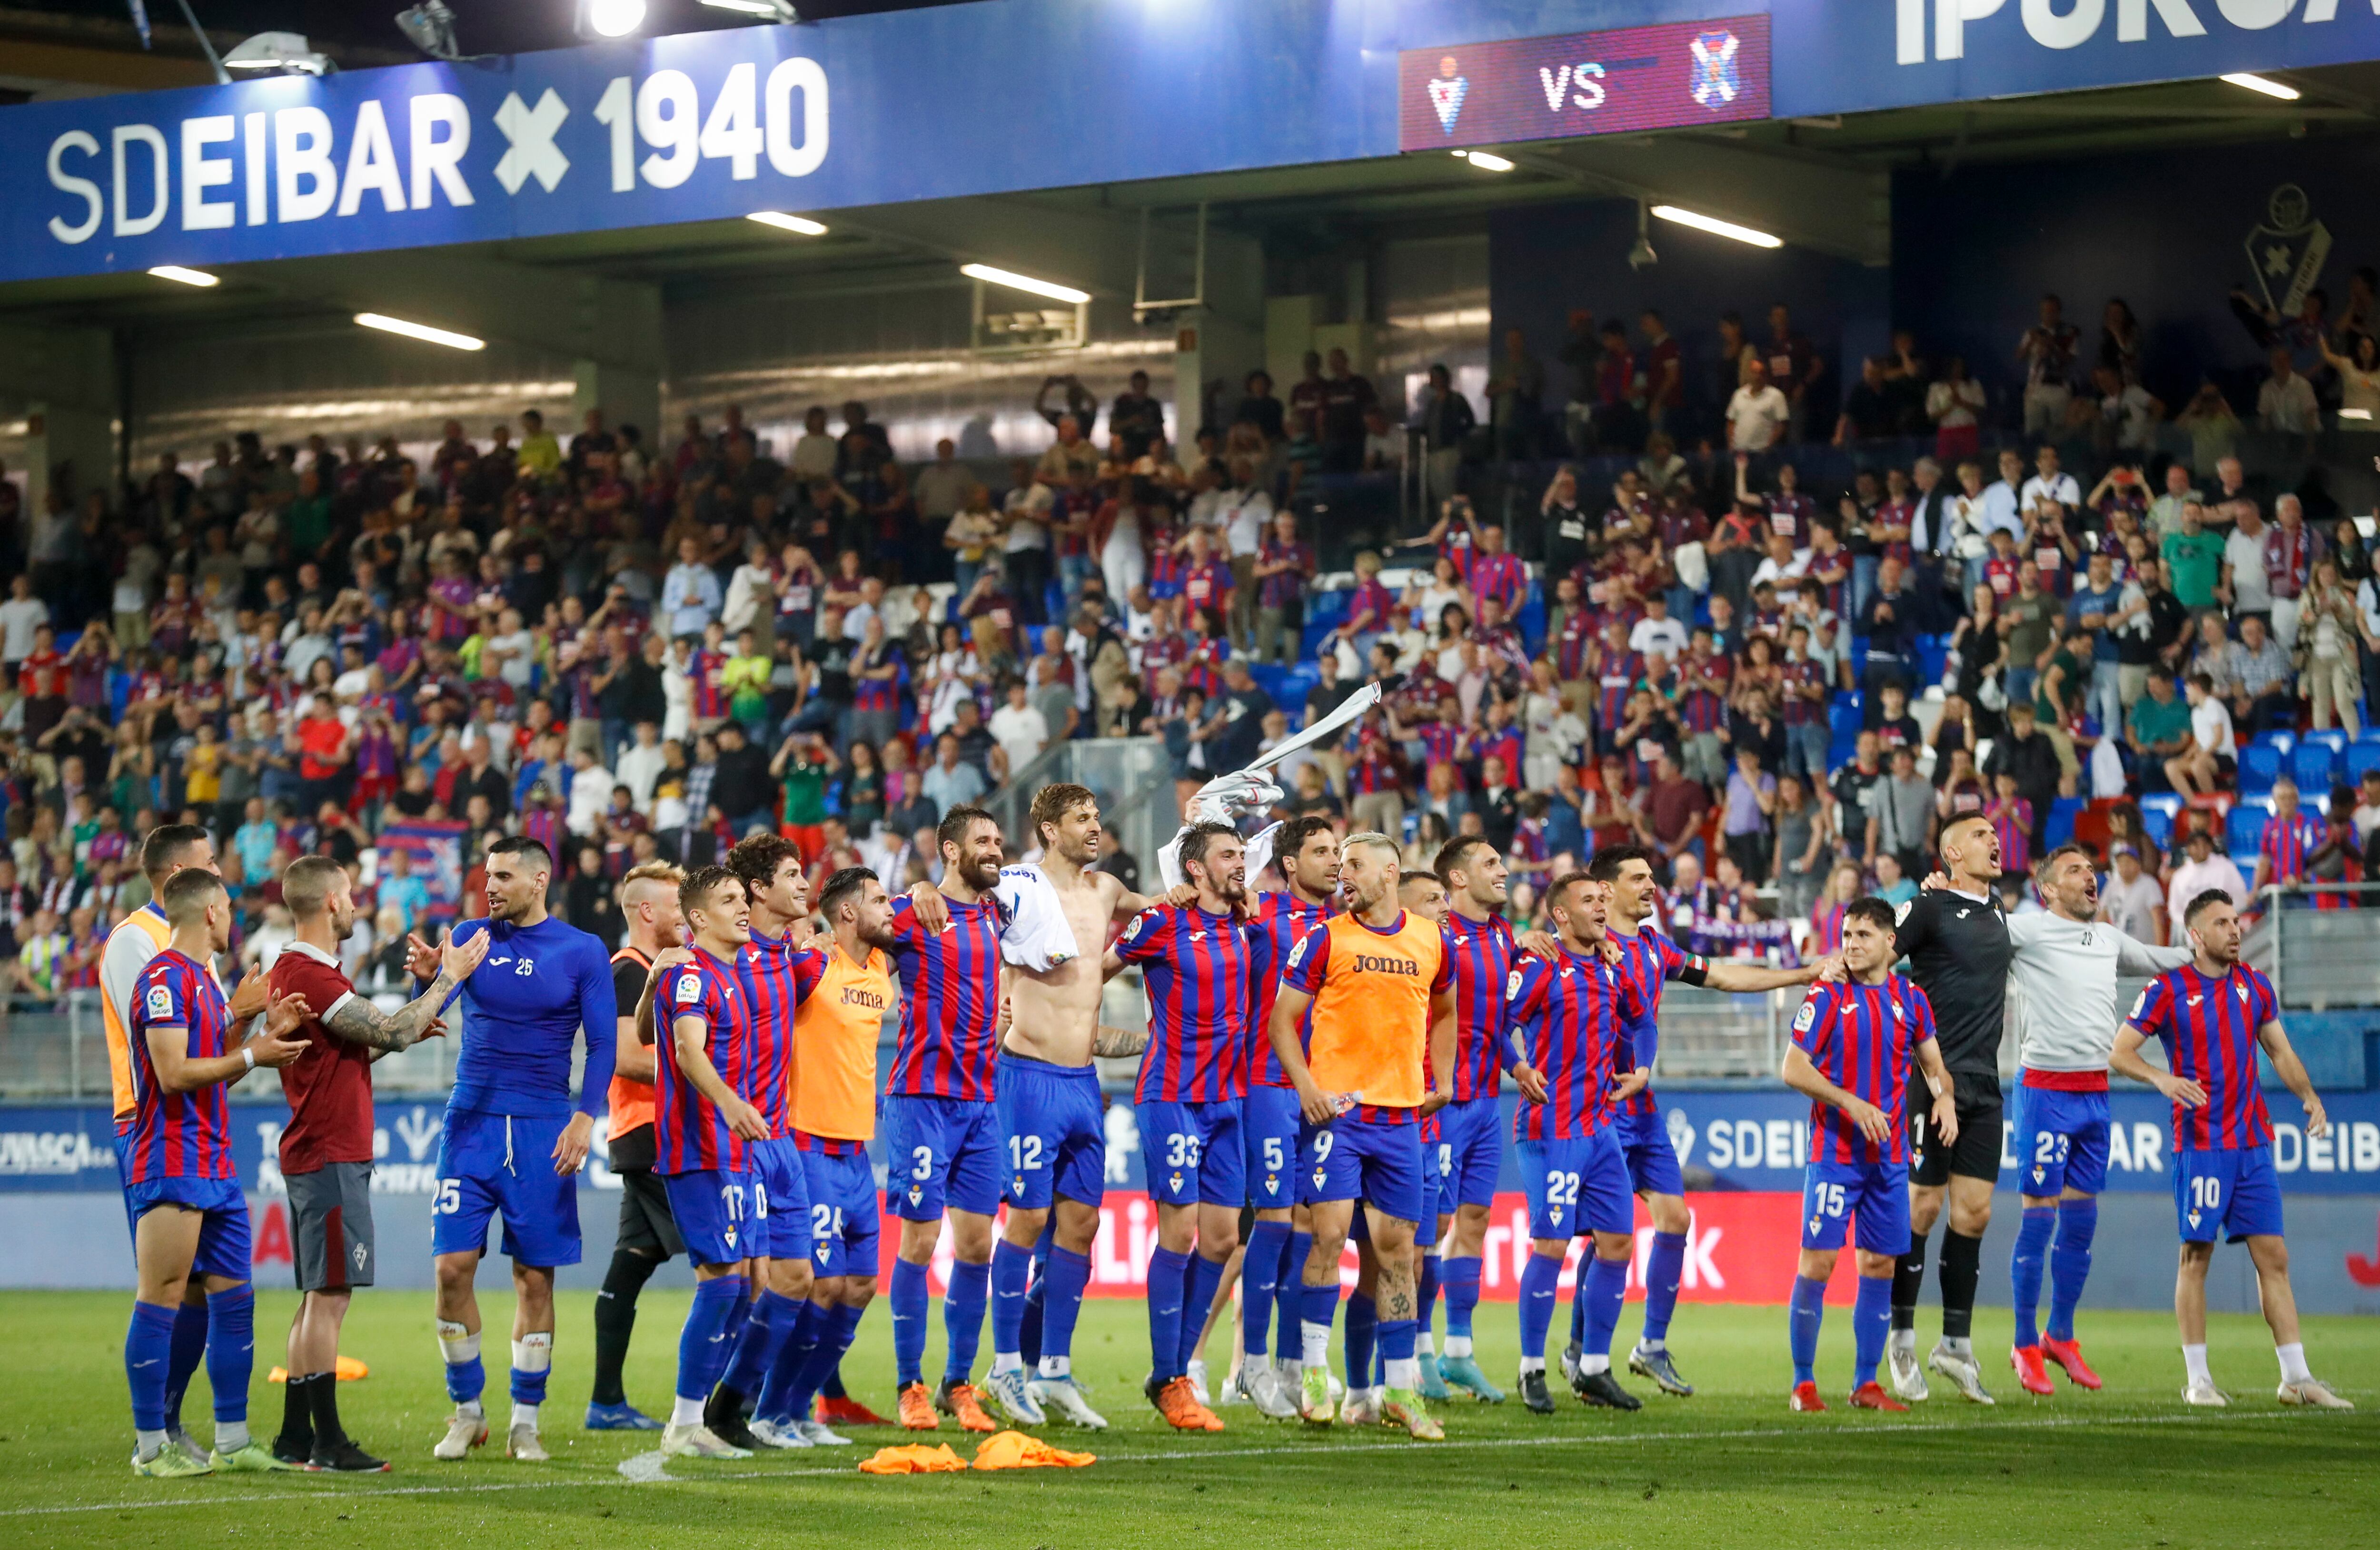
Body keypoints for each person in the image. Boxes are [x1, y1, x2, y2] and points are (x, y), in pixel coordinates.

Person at [268, 856, 486, 1472]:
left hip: (320, 1149)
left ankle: (292, 1437)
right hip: (330, 1152)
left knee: (316, 1296)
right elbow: (387, 1033)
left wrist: (409, 1021)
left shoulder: (303, 972)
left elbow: (365, 1046)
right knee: (330, 1297)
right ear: (329, 904)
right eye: (349, 896)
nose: (357, 906)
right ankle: (328, 1443)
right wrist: (450, 978)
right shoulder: (310, 975)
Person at [406, 835, 618, 1462]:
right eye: (486, 875)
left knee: (534, 1280)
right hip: (470, 1122)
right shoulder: (471, 936)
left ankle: (525, 1419)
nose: (489, 886)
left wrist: (585, 1119)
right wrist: (436, 979)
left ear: (538, 880)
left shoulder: (582, 950)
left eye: (502, 876)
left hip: (543, 1127)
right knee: (451, 1270)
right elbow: (422, 1019)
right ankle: (467, 1411)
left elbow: (603, 1045)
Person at [1590, 844, 1824, 1396]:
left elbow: (1720, 976)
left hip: (1640, 1107)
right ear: (1605, 889)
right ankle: (1585, 1355)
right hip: (1596, 1108)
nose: (1653, 885)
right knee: (1608, 1236)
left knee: (1675, 1220)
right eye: (1639, 878)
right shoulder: (1585, 946)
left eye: (1653, 876)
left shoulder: (1653, 947)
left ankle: (1648, 1346)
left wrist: (1800, 974)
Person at [964, 784, 1163, 1430]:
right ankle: (1003, 1369)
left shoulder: (1105, 891)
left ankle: (1053, 1369)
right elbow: (965, 901)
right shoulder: (1017, 887)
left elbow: (1162, 905)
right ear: (1050, 830)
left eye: (1097, 818)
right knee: (1026, 1220)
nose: (1094, 828)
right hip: (1028, 1077)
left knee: (1081, 1227)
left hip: (1085, 1083)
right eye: (1082, 819)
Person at [2111, 891, 2353, 1409]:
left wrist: (2308, 1097)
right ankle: (2197, 1379)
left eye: (2236, 921)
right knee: (2194, 1256)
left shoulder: (2253, 985)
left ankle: (2295, 1377)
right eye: (2220, 923)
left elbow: (2279, 1049)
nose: (2234, 930)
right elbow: (2119, 1051)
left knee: (2274, 1257)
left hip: (2252, 1142)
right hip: (2201, 1141)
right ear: (2194, 936)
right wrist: (2161, 1078)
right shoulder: (2167, 988)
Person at [121, 865, 310, 1476]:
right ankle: (151, 1448)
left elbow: (220, 1064)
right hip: (171, 1157)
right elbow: (174, 1073)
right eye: (228, 908)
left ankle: (232, 1439)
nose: (233, 919)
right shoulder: (162, 980)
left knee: (235, 1300)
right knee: (163, 1297)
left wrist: (256, 1026)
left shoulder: (204, 982)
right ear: (209, 912)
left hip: (215, 1159)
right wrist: (254, 1050)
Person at [1267, 832, 1454, 1441]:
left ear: (1389, 872)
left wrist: (1444, 1076)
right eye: (1339, 864)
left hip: (1401, 1117)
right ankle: (1315, 1375)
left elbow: (1446, 1008)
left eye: (1353, 865)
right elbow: (1281, 1021)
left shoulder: (1429, 940)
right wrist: (1306, 1087)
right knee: (1325, 1238)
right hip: (1338, 1116)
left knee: (1399, 1254)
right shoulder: (1324, 937)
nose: (1342, 874)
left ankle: (1398, 1389)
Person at [1997, 845, 2191, 1397]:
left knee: (2081, 1223)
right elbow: (1963, 933)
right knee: (2039, 1217)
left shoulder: (2106, 938)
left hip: (2094, 1093)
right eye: (2075, 871)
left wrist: (2202, 951)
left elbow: (2160, 959)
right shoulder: (2024, 930)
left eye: (2091, 868)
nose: (2091, 876)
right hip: (2044, 1091)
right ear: (2047, 890)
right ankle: (2021, 1342)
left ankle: (2059, 1334)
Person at [1780, 896, 1957, 1414]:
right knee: (1818, 1260)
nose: (1851, 944)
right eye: (1847, 934)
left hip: (1888, 1158)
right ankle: (1803, 1383)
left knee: (1879, 1263)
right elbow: (1792, 1068)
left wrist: (1944, 1096)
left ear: (1889, 942)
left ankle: (1865, 1382)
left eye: (1862, 935)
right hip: (1835, 1153)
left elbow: (1932, 1066)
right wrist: (1850, 1102)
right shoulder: (1829, 993)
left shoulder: (1911, 999)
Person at [749, 866, 902, 1444]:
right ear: (845, 913)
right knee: (820, 1285)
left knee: (859, 1287)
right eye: (879, 900)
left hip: (857, 1153)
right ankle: (769, 1410)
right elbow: (759, 997)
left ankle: (800, 1408)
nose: (891, 910)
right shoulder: (813, 963)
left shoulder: (880, 968)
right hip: (807, 1143)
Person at [1107, 822, 1251, 1432]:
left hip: (1228, 1101)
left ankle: (1174, 1369)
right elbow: (1099, 969)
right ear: (1195, 868)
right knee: (1181, 1230)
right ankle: (1169, 1376)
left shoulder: (1249, 920)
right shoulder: (1163, 923)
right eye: (1228, 854)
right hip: (1170, 1094)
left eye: (1243, 853)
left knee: (1221, 1242)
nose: (1240, 862)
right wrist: (1071, 1033)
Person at [99, 823, 231, 1471]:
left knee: (204, 1287)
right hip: (149, 1123)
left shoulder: (198, 947)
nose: (220, 874)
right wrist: (244, 1044)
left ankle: (173, 1423)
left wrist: (249, 1015)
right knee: (166, 1284)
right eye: (210, 863)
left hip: (200, 1125)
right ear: (180, 870)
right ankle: (151, 1436)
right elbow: (164, 1045)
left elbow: (210, 1032)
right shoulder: (134, 942)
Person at [880, 806, 1008, 1432]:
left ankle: (959, 1384)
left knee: (979, 1242)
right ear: (950, 851)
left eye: (998, 840)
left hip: (982, 1103)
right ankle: (909, 1384)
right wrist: (916, 887)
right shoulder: (913, 912)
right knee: (921, 1240)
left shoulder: (994, 912)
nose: (996, 849)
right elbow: (856, 919)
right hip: (922, 1098)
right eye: (983, 841)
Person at [1502, 874, 1648, 1414]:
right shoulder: (1539, 964)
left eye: (1602, 898)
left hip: (1600, 1130)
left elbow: (1641, 1021)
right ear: (1560, 916)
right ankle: (1530, 1369)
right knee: (1551, 1246)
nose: (1600, 906)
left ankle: (1591, 1369)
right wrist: (1517, 1065)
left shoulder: (1612, 964)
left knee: (1617, 1244)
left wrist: (1640, 1067)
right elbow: (1500, 1022)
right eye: (1588, 900)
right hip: (1550, 1129)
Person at [697, 836, 820, 1451]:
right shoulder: (720, 958)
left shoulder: (800, 959)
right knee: (737, 1281)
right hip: (731, 1140)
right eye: (793, 875)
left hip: (782, 1143)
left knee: (796, 1278)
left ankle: (729, 1405)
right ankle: (694, 1411)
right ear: (758, 891)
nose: (804, 884)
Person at [1887, 813, 2012, 1405]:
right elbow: (1877, 960)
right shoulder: (1928, 907)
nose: (1994, 840)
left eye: (1995, 833)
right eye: (1981, 835)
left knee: (1974, 1212)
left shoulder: (1998, 910)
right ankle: (1902, 1336)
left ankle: (1954, 1346)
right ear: (1951, 854)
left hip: (1985, 1083)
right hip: (1928, 1076)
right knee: (1922, 1205)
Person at [644, 866, 762, 1460]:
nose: (743, 907)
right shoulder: (692, 974)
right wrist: (731, 1102)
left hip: (734, 1148)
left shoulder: (730, 972)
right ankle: (685, 1423)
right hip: (698, 1146)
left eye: (744, 897)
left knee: (745, 1287)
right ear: (697, 917)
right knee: (721, 1284)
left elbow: (653, 1028)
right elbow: (688, 1050)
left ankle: (703, 1420)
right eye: (729, 900)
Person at [1231, 816, 1341, 1418]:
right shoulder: (1259, 911)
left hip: (1330, 1093)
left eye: (1337, 850)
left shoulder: (1350, 925)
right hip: (1269, 1083)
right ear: (1289, 864)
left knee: (1316, 1227)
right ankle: (1251, 1365)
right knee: (1272, 1220)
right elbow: (1193, 886)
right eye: (1320, 851)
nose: (1333, 860)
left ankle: (1296, 1366)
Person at [586, 861, 686, 1433]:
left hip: (645, 1132)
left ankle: (605, 1402)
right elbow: (624, 1057)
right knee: (729, 1262)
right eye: (677, 906)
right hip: (654, 1133)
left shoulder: (659, 968)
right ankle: (723, 1406)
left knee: (631, 1265)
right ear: (647, 912)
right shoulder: (630, 971)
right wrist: (700, 1070)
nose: (686, 916)